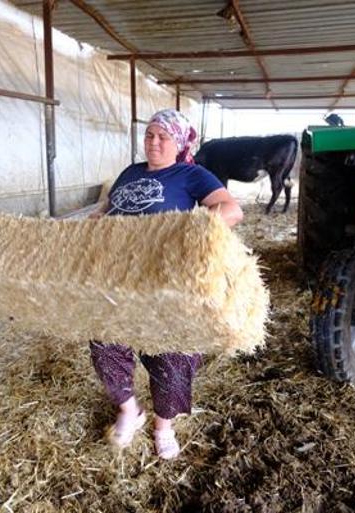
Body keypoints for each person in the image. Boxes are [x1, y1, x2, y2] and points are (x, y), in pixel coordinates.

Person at [88, 109, 243, 459]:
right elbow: (110, 206)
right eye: (149, 135)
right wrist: (98, 217)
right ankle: (130, 411)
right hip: (120, 278)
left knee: (172, 355)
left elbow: (232, 211)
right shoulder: (130, 172)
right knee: (104, 344)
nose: (153, 142)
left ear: (180, 142)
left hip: (167, 281)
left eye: (163, 137)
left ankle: (164, 426)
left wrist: (178, 235)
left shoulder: (192, 174)